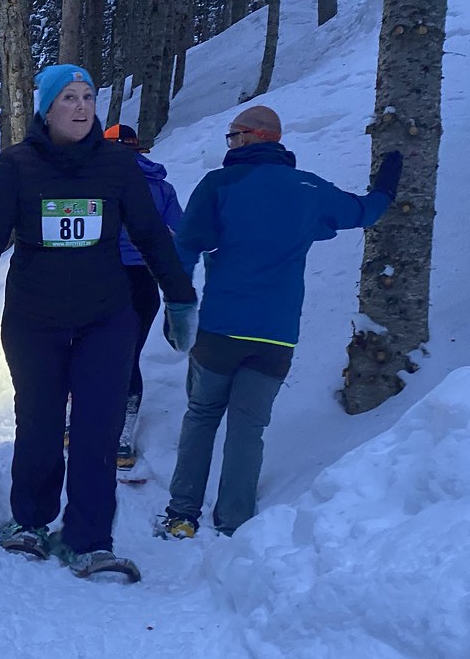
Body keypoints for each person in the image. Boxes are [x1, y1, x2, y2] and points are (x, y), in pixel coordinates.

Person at [0, 64, 197, 577]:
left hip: (105, 317)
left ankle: (89, 539)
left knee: (98, 428)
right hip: (34, 318)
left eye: (89, 96)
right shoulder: (18, 163)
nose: (83, 106)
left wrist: (179, 298)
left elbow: (153, 236)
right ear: (47, 107)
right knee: (40, 422)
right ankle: (31, 521)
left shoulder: (116, 164)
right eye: (69, 97)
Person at [158, 105, 403, 539]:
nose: (229, 144)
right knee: (248, 427)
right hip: (275, 335)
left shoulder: (219, 184)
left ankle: (182, 515)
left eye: (232, 136)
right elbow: (364, 212)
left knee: (201, 414)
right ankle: (233, 524)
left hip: (219, 328)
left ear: (253, 136)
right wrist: (388, 180)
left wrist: (178, 306)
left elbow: (185, 249)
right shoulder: (308, 188)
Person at [103, 123, 184, 470]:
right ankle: (122, 439)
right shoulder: (162, 188)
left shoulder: (92, 182)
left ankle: (74, 423)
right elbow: (182, 233)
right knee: (128, 354)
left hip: (98, 276)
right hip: (142, 280)